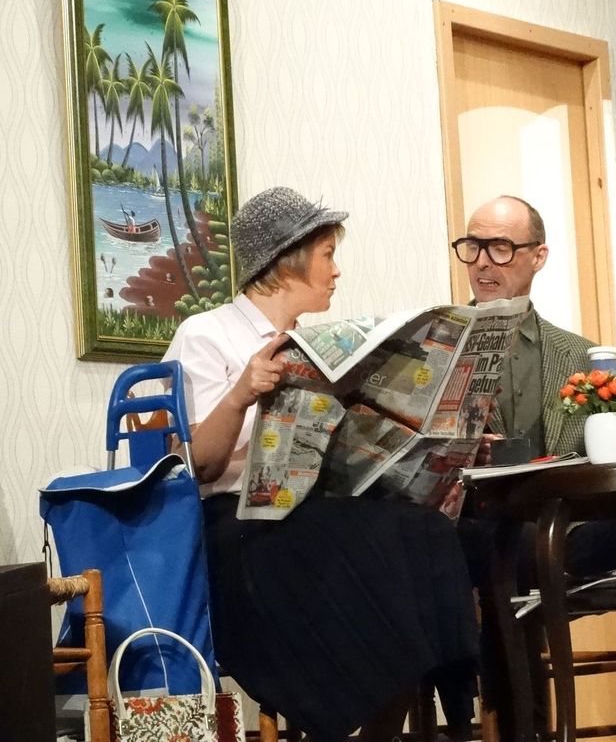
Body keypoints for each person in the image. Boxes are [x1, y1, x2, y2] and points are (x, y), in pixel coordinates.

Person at [163, 187, 478, 741]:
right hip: (235, 526)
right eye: (327, 254)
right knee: (388, 542)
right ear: (286, 261)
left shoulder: (320, 345)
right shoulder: (207, 333)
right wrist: (241, 394)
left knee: (423, 529)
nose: (336, 271)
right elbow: (197, 466)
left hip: (311, 514)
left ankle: (391, 726)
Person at [445, 195, 616, 742]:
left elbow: (602, 468)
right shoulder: (436, 346)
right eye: (472, 246)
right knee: (513, 550)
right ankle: (524, 729)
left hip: (563, 530)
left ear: (538, 256)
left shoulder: (580, 357)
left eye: (501, 247)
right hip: (476, 531)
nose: (483, 261)